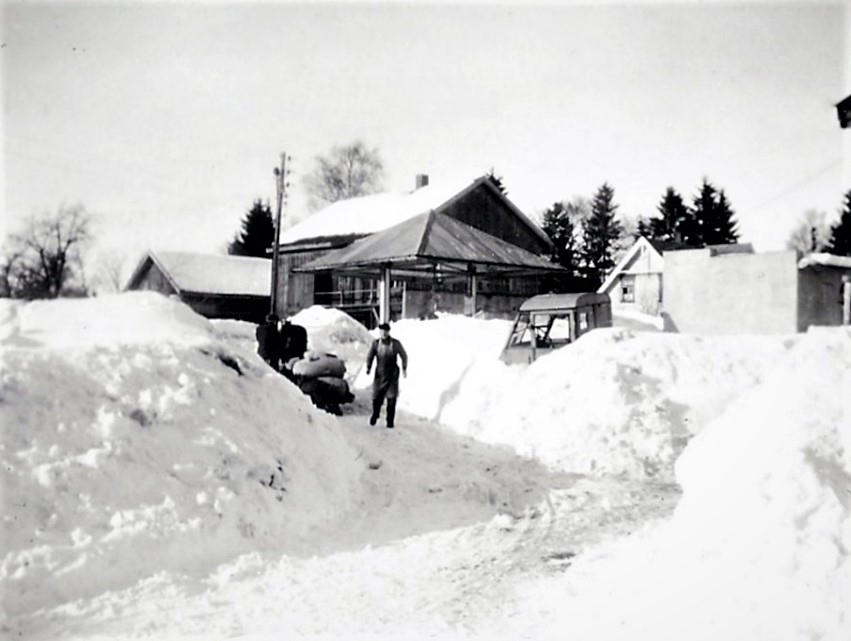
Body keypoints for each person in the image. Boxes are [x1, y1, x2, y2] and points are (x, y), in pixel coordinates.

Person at [365, 322, 408, 429]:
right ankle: (375, 414)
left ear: (389, 332)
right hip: (380, 374)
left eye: (386, 331)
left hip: (392, 374)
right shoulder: (375, 344)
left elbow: (404, 355)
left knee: (391, 398)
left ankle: (390, 421)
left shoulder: (395, 344)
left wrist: (404, 368)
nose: (384, 333)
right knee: (376, 397)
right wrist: (368, 367)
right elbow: (370, 356)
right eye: (382, 331)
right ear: (379, 332)